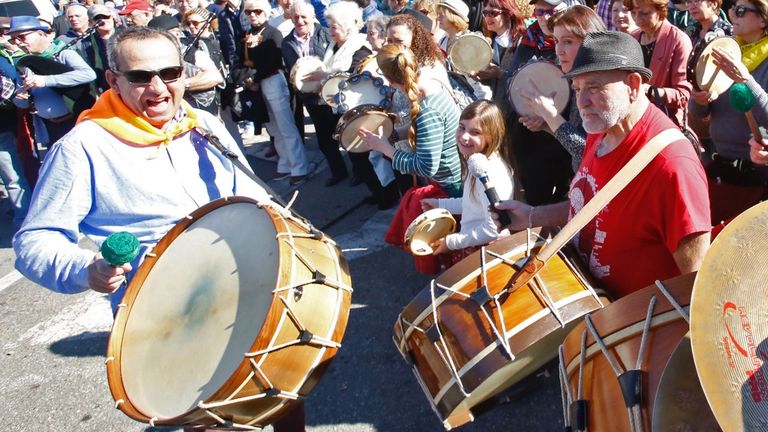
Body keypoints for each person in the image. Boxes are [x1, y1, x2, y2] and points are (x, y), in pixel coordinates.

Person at [12, 25, 307, 432]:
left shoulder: (202, 124)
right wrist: (86, 269)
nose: (158, 88)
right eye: (140, 76)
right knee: (215, 420)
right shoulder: (83, 147)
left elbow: (252, 193)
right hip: (171, 323)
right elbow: (35, 240)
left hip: (251, 291)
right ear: (113, 79)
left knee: (284, 392)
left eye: (170, 73)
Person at [496, 31, 711, 298]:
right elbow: (594, 207)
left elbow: (698, 284)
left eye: (594, 87)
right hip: (589, 300)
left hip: (634, 320)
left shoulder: (673, 165)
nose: (582, 102)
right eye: (577, 89)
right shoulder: (600, 130)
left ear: (633, 85)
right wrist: (532, 216)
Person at [359, 43, 462, 274]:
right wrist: (394, 135)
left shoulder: (428, 110)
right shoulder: (432, 85)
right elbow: (430, 132)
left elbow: (425, 166)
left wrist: (385, 148)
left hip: (451, 187)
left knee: (453, 254)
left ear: (389, 80)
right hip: (454, 180)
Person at [690, 0, 768, 226]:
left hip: (758, 177)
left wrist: (745, 79)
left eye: (741, 10)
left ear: (763, 20)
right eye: (733, 8)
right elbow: (699, 116)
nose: (733, 14)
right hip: (721, 169)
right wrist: (699, 101)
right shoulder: (726, 52)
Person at [421, 100, 514, 267]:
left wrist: (451, 242)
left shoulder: (490, 174)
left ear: (492, 136)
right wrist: (440, 204)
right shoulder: (475, 162)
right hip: (473, 242)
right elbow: (472, 203)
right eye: (462, 127)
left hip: (485, 251)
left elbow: (493, 229)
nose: (464, 136)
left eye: (475, 132)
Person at [518, 5, 606, 169]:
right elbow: (576, 137)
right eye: (557, 41)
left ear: (590, 42)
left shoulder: (602, 88)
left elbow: (589, 151)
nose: (559, 50)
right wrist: (547, 125)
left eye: (568, 41)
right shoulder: (578, 81)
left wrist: (550, 115)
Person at [505, 0, 573, 206]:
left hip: (564, 130)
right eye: (540, 11)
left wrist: (548, 117)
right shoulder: (528, 40)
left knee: (567, 194)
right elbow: (512, 81)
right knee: (536, 192)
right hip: (530, 132)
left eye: (551, 11)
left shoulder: (575, 41)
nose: (545, 17)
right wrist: (527, 114)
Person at [237, 0, 310, 185]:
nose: (253, 15)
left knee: (285, 125)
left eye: (257, 11)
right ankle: (285, 163)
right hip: (256, 83)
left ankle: (299, 165)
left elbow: (275, 60)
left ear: (265, 12)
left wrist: (255, 78)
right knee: (272, 127)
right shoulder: (246, 34)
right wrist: (247, 79)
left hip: (272, 80)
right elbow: (240, 59)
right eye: (249, 12)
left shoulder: (272, 33)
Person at [9, 16, 97, 145]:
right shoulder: (24, 64)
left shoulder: (63, 53)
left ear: (40, 34)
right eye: (13, 39)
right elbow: (23, 104)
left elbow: (88, 74)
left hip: (75, 123)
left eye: (21, 37)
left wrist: (46, 80)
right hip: (49, 128)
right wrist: (20, 97)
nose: (18, 43)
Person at [625, 0, 693, 129]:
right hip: (633, 123)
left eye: (645, 13)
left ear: (661, 11)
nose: (637, 19)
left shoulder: (678, 40)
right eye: (633, 12)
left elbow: (683, 96)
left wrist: (650, 91)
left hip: (664, 124)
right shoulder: (632, 38)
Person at [148, 14, 224, 116]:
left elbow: (215, 77)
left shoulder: (194, 53)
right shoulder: (152, 58)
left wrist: (182, 84)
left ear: (177, 33)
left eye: (163, 35)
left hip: (200, 112)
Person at [472, 0, 525, 116]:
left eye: (493, 13)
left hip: (518, 112)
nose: (487, 17)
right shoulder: (491, 41)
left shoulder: (523, 42)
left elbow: (525, 81)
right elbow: (494, 82)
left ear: (508, 14)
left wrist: (499, 74)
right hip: (500, 107)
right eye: (485, 13)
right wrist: (481, 75)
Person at [84, 5, 120, 95]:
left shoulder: (125, 35)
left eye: (106, 17)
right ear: (91, 22)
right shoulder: (87, 42)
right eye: (98, 18)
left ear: (112, 18)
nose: (103, 21)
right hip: (104, 88)